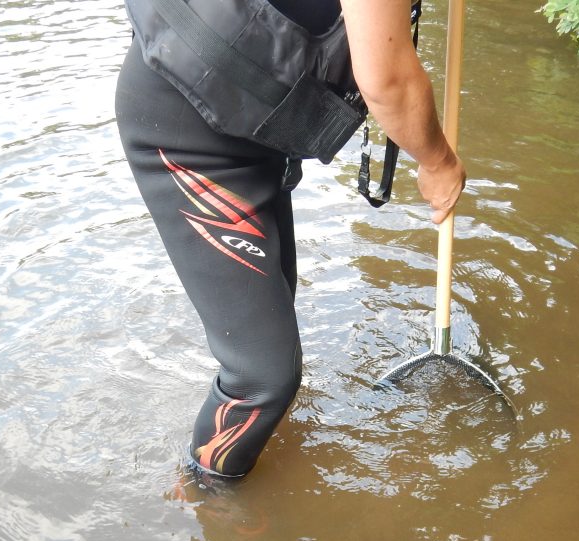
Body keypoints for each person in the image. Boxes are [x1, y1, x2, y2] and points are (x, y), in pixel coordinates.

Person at [116, 0, 466, 481]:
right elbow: (388, 81)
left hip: (252, 125)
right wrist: (438, 163)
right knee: (262, 380)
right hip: (189, 135)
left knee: (275, 329)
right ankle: (204, 500)